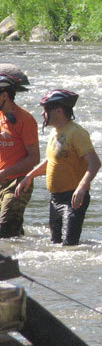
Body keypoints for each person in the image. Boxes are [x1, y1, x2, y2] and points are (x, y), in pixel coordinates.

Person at [15, 90, 100, 245]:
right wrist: (30, 176)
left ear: (59, 111)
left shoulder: (76, 133)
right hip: (55, 199)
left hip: (72, 199)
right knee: (55, 245)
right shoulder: (55, 132)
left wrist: (81, 188)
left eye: (46, 110)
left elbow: (95, 163)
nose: (42, 114)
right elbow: (52, 161)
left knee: (69, 246)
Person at [0, 73, 39, 238]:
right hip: (1, 180)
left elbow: (34, 159)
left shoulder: (25, 119)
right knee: (13, 233)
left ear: (4, 95)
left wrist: (5, 173)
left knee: (5, 228)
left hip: (19, 182)